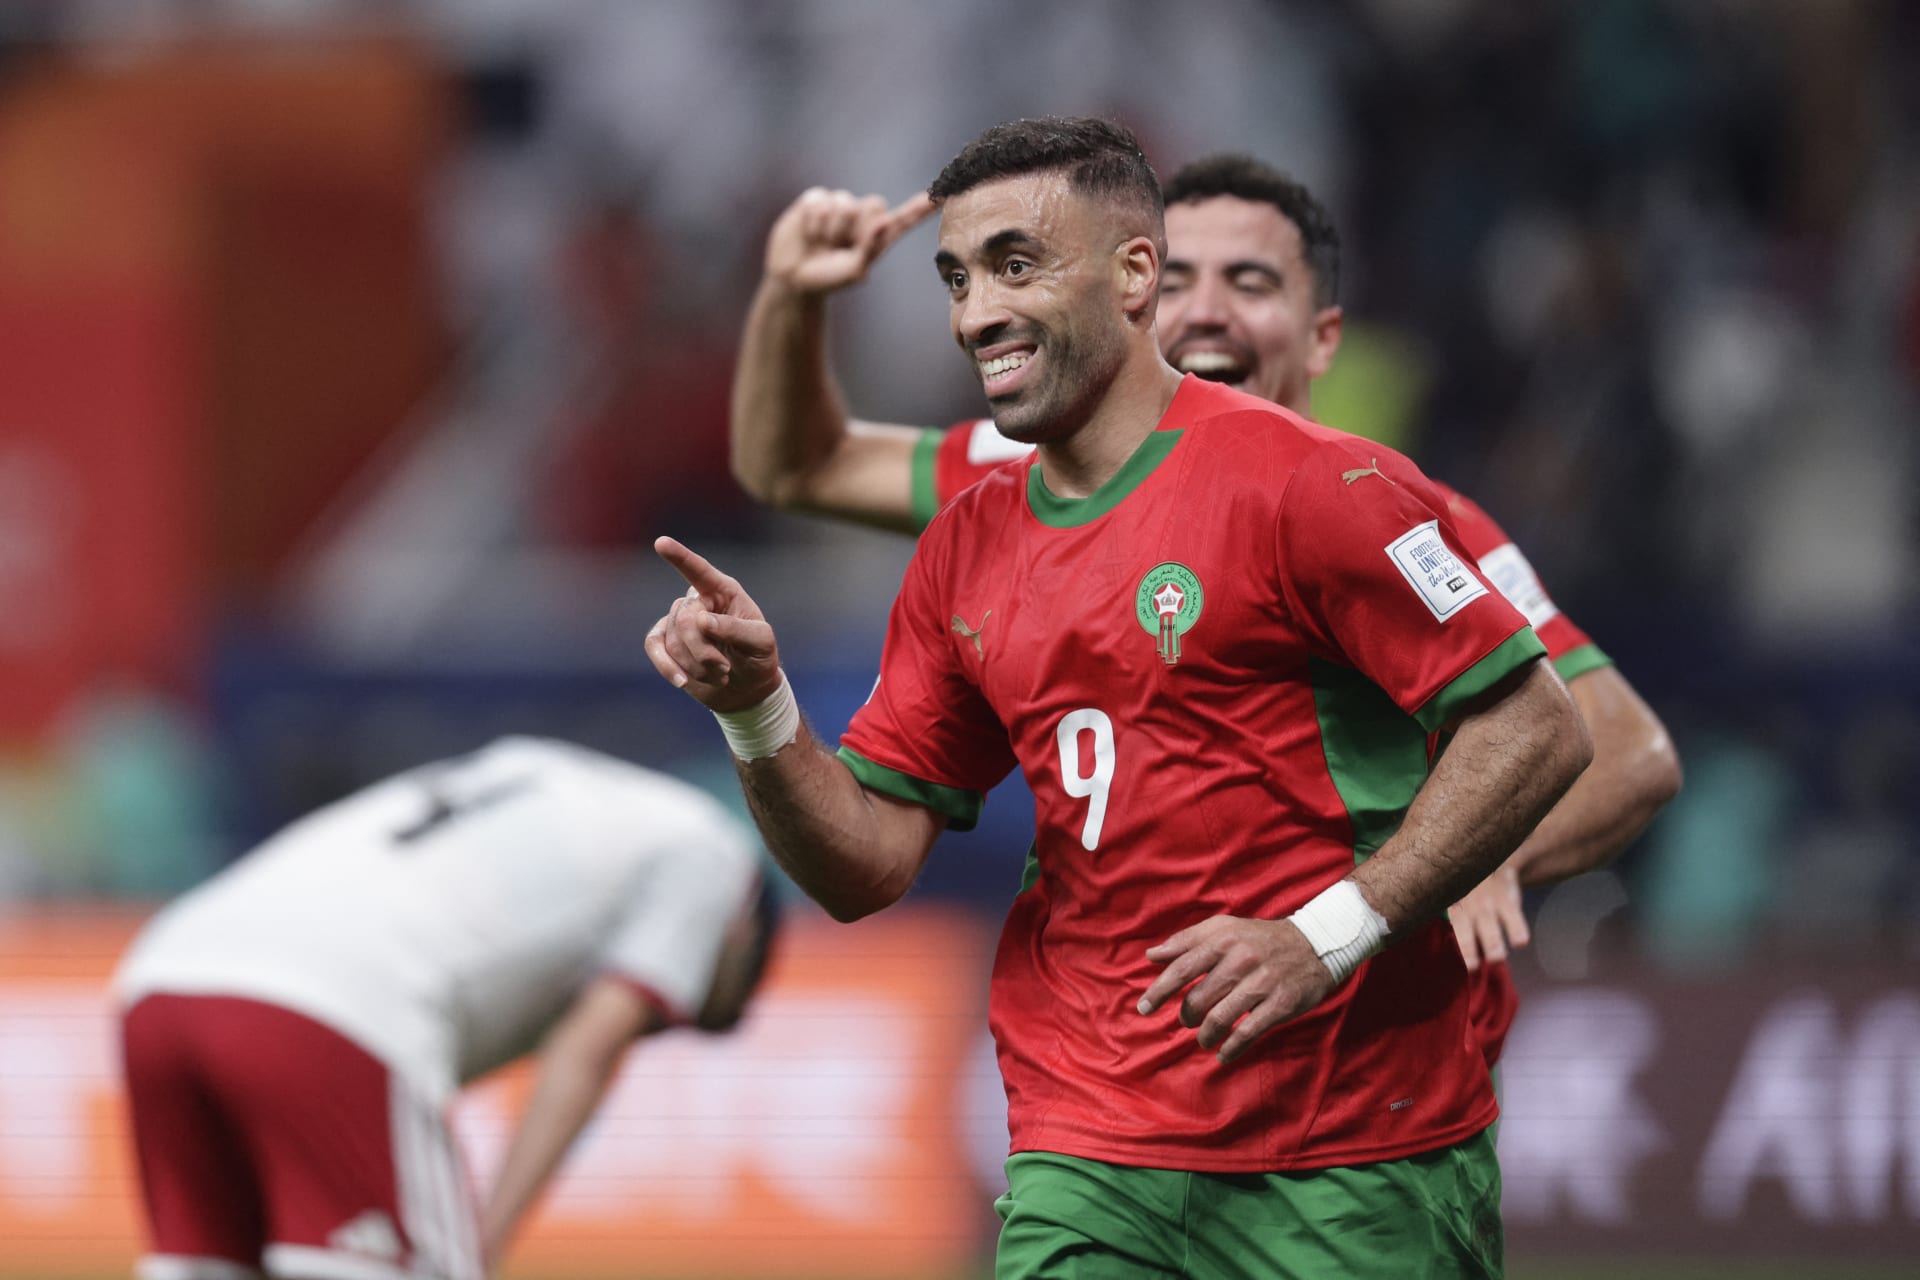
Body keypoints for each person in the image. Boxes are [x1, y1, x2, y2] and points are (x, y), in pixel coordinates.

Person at [650, 117, 1592, 1278]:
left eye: (1015, 264)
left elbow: (1539, 721)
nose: (975, 314)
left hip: (1350, 1149)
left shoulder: (1316, 484)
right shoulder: (966, 542)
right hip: (1089, 1145)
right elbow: (866, 862)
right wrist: (756, 708)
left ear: (1136, 274)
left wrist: (1329, 931)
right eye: (957, 278)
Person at [730, 150, 1682, 1072]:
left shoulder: (1405, 517)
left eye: (1251, 281)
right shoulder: (1024, 479)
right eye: (1180, 278)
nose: (1206, 311)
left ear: (1321, 336)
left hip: (1365, 1073)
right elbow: (798, 466)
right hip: (1107, 1074)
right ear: (1131, 286)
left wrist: (1462, 859)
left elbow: (1621, 748)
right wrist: (793, 296)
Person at [113, 736, 779, 1280]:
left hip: (163, 974)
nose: (659, 1022)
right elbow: (586, 1051)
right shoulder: (712, 854)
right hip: (328, 997)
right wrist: (477, 1244)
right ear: (741, 933)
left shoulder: (542, 775)